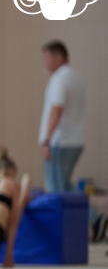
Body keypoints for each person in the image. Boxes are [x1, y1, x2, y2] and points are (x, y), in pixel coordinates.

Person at [38, 40, 86, 192]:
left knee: (56, 189)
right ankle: (87, 208)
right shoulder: (75, 77)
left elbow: (56, 110)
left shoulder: (60, 78)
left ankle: (83, 207)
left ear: (58, 57)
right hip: (75, 140)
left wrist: (47, 140)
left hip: (60, 141)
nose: (45, 64)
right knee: (65, 186)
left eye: (47, 58)